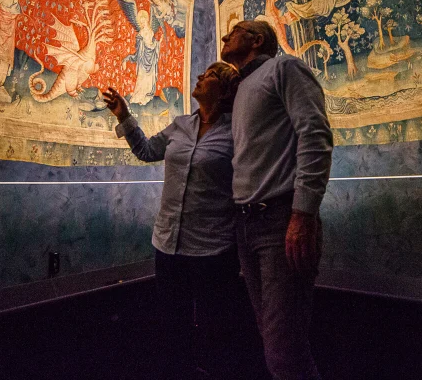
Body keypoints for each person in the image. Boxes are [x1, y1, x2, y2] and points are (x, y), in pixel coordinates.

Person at [104, 62, 242, 380]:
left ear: (222, 91)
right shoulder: (180, 125)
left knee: (215, 328)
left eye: (207, 76)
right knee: (171, 325)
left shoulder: (238, 131)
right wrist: (124, 115)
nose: (199, 77)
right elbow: (146, 150)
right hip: (169, 243)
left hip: (213, 248)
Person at [221, 19, 333, 380]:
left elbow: (314, 134)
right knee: (272, 341)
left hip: (280, 221)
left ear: (256, 40)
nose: (225, 36)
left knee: (286, 354)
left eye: (234, 30)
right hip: (247, 224)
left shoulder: (283, 67)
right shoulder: (240, 89)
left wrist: (303, 214)